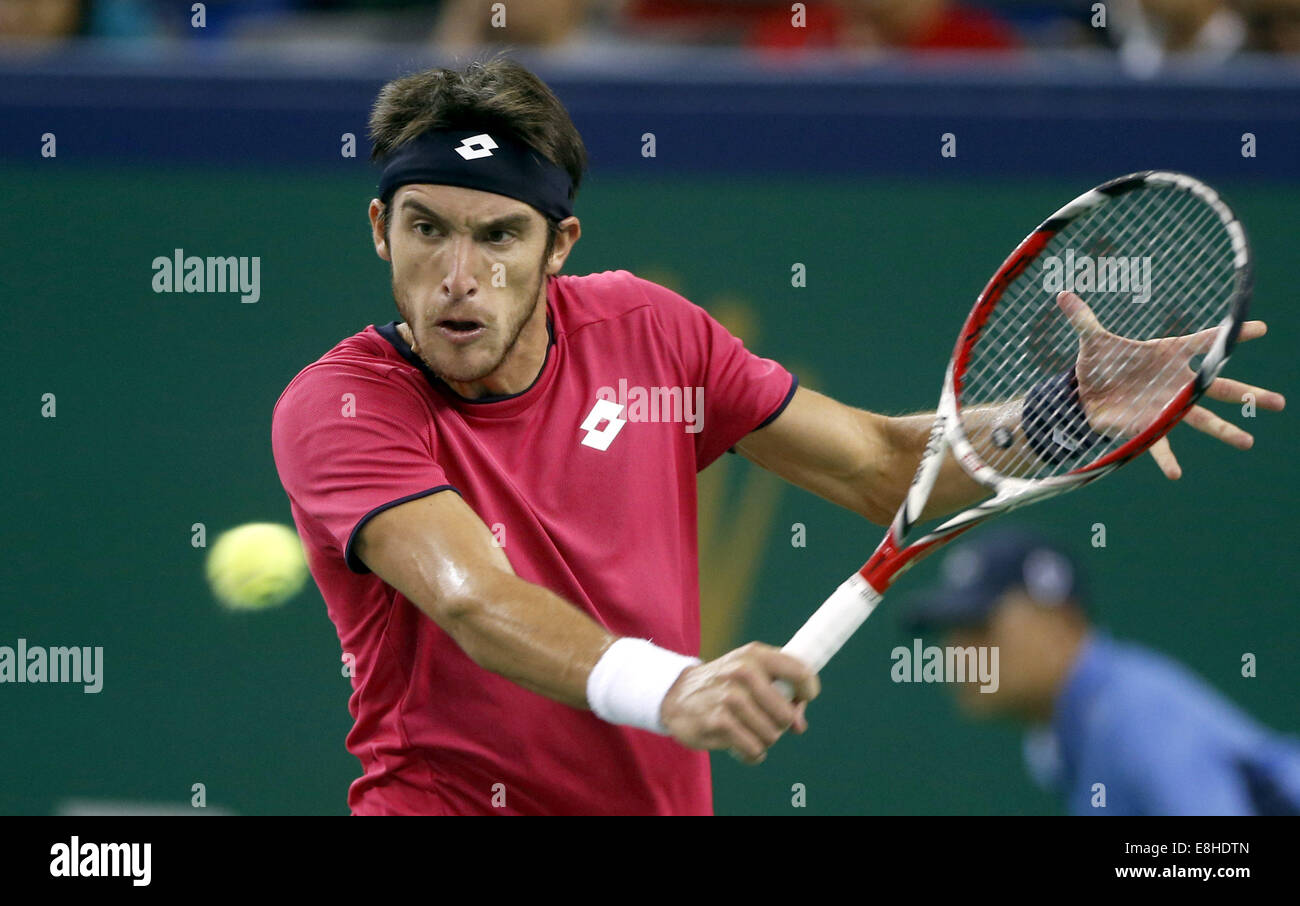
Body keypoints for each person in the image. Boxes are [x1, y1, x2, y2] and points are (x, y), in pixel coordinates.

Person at [270, 55, 1284, 815]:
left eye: (498, 237)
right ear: (378, 229)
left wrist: (1060, 414)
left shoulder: (648, 330)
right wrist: (676, 688)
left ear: (557, 244)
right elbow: (475, 601)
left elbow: (887, 470)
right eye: (427, 229)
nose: (458, 277)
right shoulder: (340, 407)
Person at [902, 528, 1300, 815]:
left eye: (979, 627)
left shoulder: (1132, 713)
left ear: (1059, 620)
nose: (958, 653)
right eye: (951, 633)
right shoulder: (1065, 737)